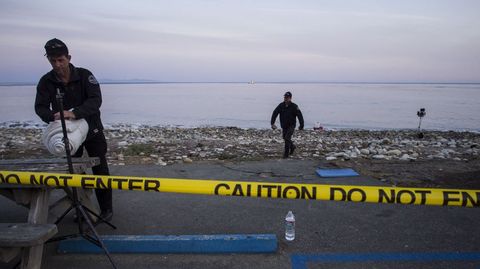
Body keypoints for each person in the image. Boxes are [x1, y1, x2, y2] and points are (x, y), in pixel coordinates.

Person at [35, 38, 113, 221]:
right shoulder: (46, 81)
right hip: (67, 135)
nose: (57, 64)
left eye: (60, 60)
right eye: (53, 60)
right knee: (73, 172)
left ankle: (107, 210)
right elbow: (40, 107)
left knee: (100, 169)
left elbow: (95, 101)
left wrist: (74, 113)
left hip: (92, 130)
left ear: (68, 57)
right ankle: (82, 209)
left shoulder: (85, 76)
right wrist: (52, 116)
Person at [271, 91, 304, 158]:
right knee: (285, 138)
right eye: (285, 97)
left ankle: (286, 154)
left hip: (291, 125)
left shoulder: (294, 106)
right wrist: (272, 123)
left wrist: (301, 125)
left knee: (287, 137)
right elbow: (275, 113)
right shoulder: (281, 105)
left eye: (287, 97)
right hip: (284, 125)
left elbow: (300, 115)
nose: (286, 99)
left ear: (290, 98)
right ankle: (292, 147)